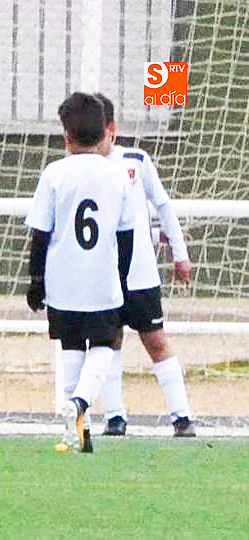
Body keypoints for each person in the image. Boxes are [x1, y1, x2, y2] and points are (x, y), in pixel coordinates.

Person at [25, 92, 136, 453]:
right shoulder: (118, 176)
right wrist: (122, 281)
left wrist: (36, 280)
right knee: (107, 343)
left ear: (66, 136)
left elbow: (40, 234)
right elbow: (126, 237)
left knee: (70, 345)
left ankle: (79, 431)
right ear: (106, 132)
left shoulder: (54, 173)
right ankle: (81, 403)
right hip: (101, 280)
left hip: (62, 281)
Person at [94, 93, 195, 437]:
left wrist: (179, 253)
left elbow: (161, 205)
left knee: (156, 341)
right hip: (101, 275)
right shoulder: (79, 169)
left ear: (112, 130)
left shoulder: (135, 160)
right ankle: (115, 417)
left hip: (139, 274)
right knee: (108, 343)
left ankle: (182, 416)